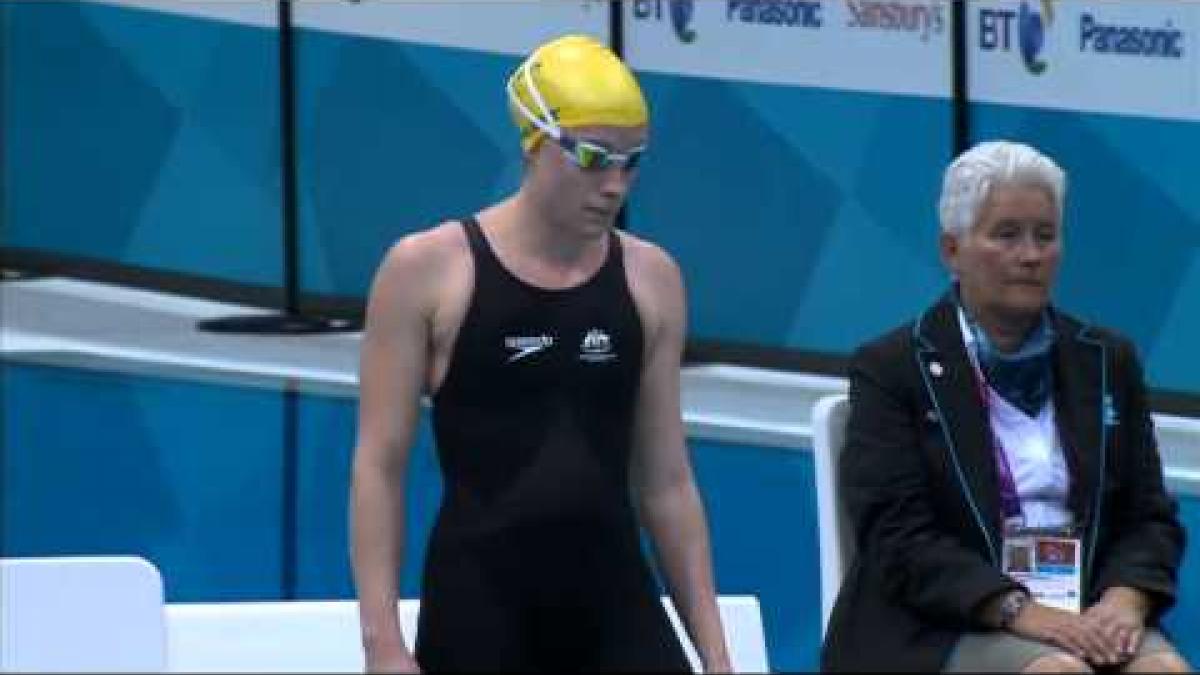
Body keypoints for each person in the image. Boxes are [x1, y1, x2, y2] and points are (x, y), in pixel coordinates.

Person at [349, 34, 731, 673]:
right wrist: (382, 643)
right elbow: (378, 467)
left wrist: (716, 655)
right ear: (534, 142)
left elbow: (666, 480)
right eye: (591, 157)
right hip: (480, 607)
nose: (614, 185)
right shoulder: (427, 269)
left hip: (616, 607)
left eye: (631, 161)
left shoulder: (652, 278)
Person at [821, 141, 1190, 673]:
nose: (1031, 255)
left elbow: (1149, 516)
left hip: (1086, 607)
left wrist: (1124, 599)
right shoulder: (892, 367)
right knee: (1056, 673)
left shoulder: (1108, 360)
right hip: (939, 622)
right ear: (952, 250)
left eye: (1045, 235)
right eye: (1006, 235)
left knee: (1163, 672)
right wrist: (1018, 607)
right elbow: (898, 536)